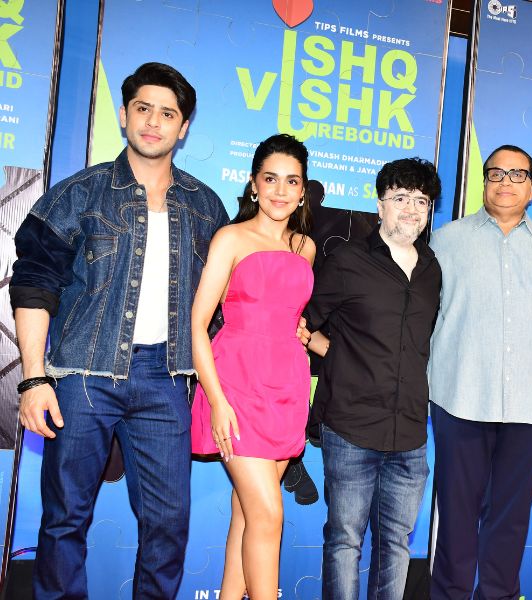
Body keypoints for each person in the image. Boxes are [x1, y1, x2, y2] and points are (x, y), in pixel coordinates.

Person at [11, 62, 228, 598]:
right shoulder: (78, 194)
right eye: (143, 108)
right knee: (64, 518)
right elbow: (34, 283)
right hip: (83, 375)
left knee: (169, 523)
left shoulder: (206, 208)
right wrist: (34, 379)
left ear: (183, 128)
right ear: (125, 115)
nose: (154, 122)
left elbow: (223, 303)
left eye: (168, 113)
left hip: (166, 379)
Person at [428, 145, 532, 599]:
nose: (506, 182)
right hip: (459, 401)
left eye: (518, 175)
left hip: (531, 410)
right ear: (484, 182)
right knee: (455, 519)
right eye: (496, 173)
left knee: (510, 523)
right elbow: (424, 318)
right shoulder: (446, 241)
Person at [303, 158, 442, 599]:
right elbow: (304, 323)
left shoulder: (432, 270)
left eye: (421, 201)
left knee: (396, 544)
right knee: (345, 540)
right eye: (401, 198)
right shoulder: (347, 261)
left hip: (410, 434)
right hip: (351, 427)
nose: (411, 209)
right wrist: (340, 355)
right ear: (380, 205)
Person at [190, 134, 315, 599]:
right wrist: (217, 401)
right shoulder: (231, 238)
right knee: (268, 514)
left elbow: (287, 312)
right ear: (253, 184)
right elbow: (197, 324)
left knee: (248, 514)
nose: (281, 191)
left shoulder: (305, 247)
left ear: (302, 190)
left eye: (292, 181)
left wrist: (300, 330)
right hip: (237, 385)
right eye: (271, 179)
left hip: (287, 386)